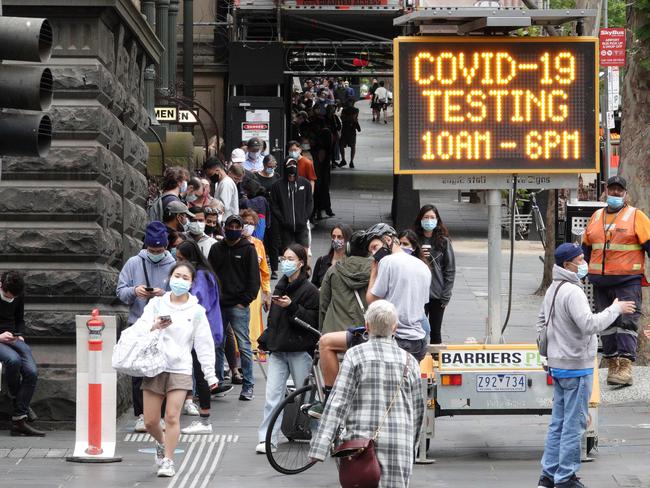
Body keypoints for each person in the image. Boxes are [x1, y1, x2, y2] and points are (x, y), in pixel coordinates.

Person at [536, 243, 635, 488]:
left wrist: (552, 350)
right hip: (575, 366)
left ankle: (548, 475)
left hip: (559, 363)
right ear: (568, 263)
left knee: (558, 423)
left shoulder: (554, 288)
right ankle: (566, 477)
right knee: (574, 423)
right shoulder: (573, 292)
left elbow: (541, 322)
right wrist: (615, 308)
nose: (584, 263)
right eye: (580, 259)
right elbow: (589, 324)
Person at [308, 300, 425, 488]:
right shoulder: (410, 362)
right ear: (395, 328)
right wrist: (412, 447)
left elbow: (338, 402)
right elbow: (418, 411)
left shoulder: (355, 355)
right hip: (398, 444)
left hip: (359, 444)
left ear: (367, 326)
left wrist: (320, 446)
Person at [122, 262, 218, 477]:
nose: (180, 281)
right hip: (155, 365)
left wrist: (210, 374)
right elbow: (139, 328)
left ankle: (168, 460)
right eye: (177, 275)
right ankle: (161, 442)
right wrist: (154, 325)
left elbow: (204, 344)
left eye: (185, 278)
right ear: (169, 277)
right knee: (150, 421)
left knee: (172, 417)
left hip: (180, 368)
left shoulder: (197, 311)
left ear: (192, 283)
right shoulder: (156, 304)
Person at [582, 175, 650, 386]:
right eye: (612, 190)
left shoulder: (636, 216)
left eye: (619, 191)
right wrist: (581, 270)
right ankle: (612, 362)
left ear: (625, 193)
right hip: (601, 283)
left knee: (627, 323)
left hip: (627, 281)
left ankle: (625, 366)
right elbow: (586, 247)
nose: (615, 194)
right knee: (606, 324)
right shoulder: (595, 216)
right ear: (605, 192)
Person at [255, 244, 319, 454]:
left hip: (300, 350)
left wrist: (291, 307)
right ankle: (267, 439)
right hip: (279, 349)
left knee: (307, 396)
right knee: (272, 396)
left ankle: (319, 436)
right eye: (284, 258)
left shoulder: (310, 291)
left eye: (290, 259)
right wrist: (267, 340)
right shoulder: (280, 287)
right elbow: (274, 320)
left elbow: (312, 321)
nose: (285, 262)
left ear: (301, 263)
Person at [116, 222, 176, 432]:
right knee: (138, 372)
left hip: (164, 327)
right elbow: (120, 292)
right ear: (146, 247)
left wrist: (164, 294)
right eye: (152, 250)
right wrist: (135, 291)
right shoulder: (133, 263)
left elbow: (180, 294)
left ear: (166, 248)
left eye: (159, 251)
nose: (156, 254)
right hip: (139, 325)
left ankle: (160, 415)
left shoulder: (173, 264)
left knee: (161, 371)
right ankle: (142, 415)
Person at [208, 215, 260, 400]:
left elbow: (254, 279)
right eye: (230, 225)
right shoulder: (216, 249)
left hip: (238, 305)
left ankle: (248, 385)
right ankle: (218, 382)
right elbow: (210, 276)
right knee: (217, 344)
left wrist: (245, 300)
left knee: (244, 345)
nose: (233, 228)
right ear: (225, 227)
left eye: (237, 226)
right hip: (219, 305)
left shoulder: (248, 250)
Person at [174, 240, 223, 434]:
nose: (177, 262)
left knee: (201, 372)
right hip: (204, 329)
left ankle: (204, 419)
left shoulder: (200, 276)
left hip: (200, 331)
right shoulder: (205, 273)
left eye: (180, 259)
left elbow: (196, 300)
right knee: (199, 371)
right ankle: (203, 418)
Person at [0, 271, 45, 437]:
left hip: (13, 337)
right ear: (1, 285)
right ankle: (20, 415)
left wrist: (20, 334)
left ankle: (19, 416)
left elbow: (19, 319)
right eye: (6, 295)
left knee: (32, 372)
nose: (9, 298)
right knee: (13, 361)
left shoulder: (18, 295)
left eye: (12, 297)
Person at [413, 205, 456, 345]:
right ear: (420, 219)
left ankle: (437, 361)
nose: (429, 220)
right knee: (418, 330)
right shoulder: (414, 240)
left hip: (437, 295)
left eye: (432, 217)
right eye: (426, 217)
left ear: (437, 220)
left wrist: (446, 295)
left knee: (435, 331)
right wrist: (418, 256)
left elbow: (450, 270)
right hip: (418, 294)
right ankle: (420, 358)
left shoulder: (444, 242)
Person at [319, 230, 371, 334]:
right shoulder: (377, 272)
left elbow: (323, 304)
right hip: (364, 334)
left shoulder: (333, 270)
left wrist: (322, 330)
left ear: (348, 248)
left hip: (334, 333)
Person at [240, 209, 271, 350]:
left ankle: (251, 350)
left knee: (253, 322)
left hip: (254, 290)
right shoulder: (234, 242)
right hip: (237, 288)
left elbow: (264, 271)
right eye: (245, 223)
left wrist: (267, 293)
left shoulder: (259, 244)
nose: (248, 226)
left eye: (251, 223)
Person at [270, 158, 313, 249]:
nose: (292, 167)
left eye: (294, 164)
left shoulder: (305, 183)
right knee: (288, 252)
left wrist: (304, 218)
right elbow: (274, 205)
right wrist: (283, 220)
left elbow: (309, 202)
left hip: (302, 225)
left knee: (304, 250)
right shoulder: (277, 186)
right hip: (286, 227)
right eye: (289, 165)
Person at [255, 155, 281, 278]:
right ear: (264, 165)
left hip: (273, 212)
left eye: (273, 166)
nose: (271, 168)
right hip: (261, 212)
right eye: (269, 166)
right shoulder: (257, 177)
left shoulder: (276, 177)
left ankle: (275, 269)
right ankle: (262, 266)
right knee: (261, 239)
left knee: (274, 241)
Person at [312, 224, 352, 288]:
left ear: (347, 240)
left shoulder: (352, 262)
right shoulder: (322, 261)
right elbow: (313, 286)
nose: (335, 240)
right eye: (333, 236)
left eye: (339, 237)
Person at [339, 100, 360, 168]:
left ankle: (348, 161)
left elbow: (351, 118)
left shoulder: (347, 110)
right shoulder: (355, 110)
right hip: (348, 129)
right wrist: (351, 118)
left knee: (348, 146)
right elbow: (353, 118)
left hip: (348, 129)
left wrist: (348, 118)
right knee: (344, 145)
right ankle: (347, 160)